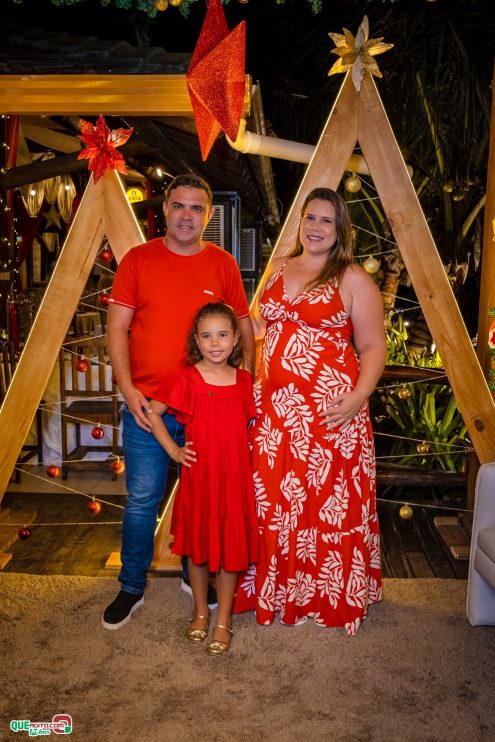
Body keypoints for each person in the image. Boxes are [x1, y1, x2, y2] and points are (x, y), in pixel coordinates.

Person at [102, 174, 255, 630]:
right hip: (151, 405)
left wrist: (249, 380)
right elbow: (116, 329)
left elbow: (244, 326)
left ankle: (197, 577)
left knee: (208, 498)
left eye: (197, 209)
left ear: (208, 216)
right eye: (179, 206)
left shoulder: (223, 263)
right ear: (165, 210)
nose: (187, 216)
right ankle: (131, 587)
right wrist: (129, 390)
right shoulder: (137, 260)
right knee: (143, 499)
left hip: (209, 407)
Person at [232, 187, 386, 636]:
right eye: (310, 218)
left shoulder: (353, 277)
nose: (316, 227)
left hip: (331, 416)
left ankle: (326, 594)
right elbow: (262, 323)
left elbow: (373, 345)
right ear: (300, 221)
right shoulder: (279, 266)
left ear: (340, 230)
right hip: (275, 414)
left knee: (327, 506)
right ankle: (277, 591)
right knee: (274, 503)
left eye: (326, 221)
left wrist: (358, 398)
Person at [148, 302, 258, 654]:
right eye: (207, 336)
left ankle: (223, 619)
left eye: (222, 335)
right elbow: (152, 414)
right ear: (196, 340)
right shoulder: (186, 378)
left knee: (229, 552)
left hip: (235, 481)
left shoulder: (245, 381)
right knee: (197, 552)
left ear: (235, 339)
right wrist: (174, 451)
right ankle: (199, 613)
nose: (215, 343)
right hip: (199, 479)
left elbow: (250, 428)